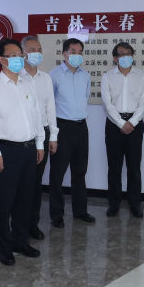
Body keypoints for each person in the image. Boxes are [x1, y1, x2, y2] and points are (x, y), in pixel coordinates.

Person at [0, 38, 45, 265]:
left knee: (25, 199)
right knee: (4, 202)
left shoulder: (28, 84)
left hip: (29, 150)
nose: (19, 59)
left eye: (20, 55)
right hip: (6, 152)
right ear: (2, 60)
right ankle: (4, 246)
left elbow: (37, 115)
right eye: (13, 55)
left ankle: (20, 241)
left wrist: (39, 143)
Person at [49, 37, 95, 227]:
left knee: (80, 171)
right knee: (57, 174)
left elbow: (85, 98)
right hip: (62, 128)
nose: (77, 55)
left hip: (81, 127)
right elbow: (49, 105)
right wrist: (52, 133)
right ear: (64, 54)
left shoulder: (85, 75)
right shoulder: (54, 75)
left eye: (80, 52)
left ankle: (80, 211)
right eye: (73, 52)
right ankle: (56, 214)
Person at [101, 42, 144, 218]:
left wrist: (132, 122)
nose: (126, 57)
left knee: (134, 167)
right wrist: (121, 123)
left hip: (135, 124)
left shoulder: (142, 76)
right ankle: (114, 204)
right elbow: (107, 103)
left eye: (129, 53)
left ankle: (135, 204)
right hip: (114, 125)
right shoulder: (107, 77)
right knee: (114, 167)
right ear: (115, 58)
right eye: (122, 54)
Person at [20, 35, 57, 240]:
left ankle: (32, 223)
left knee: (35, 182)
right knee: (21, 183)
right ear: (23, 53)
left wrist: (54, 136)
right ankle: (18, 224)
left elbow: (50, 107)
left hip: (42, 135)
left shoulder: (46, 78)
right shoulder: (17, 77)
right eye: (32, 50)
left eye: (39, 49)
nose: (37, 53)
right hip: (22, 136)